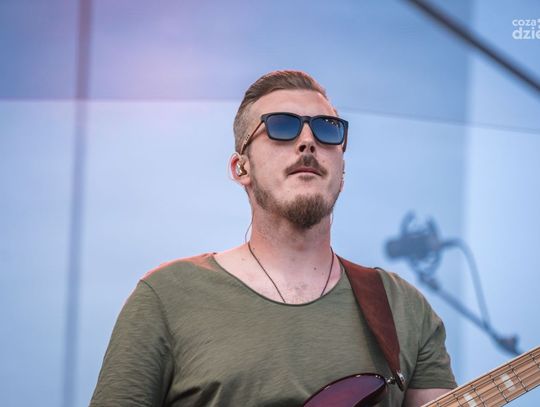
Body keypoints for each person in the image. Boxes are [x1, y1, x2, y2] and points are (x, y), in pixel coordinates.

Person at [90, 70, 456, 406]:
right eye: (282, 126)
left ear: (342, 171)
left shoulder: (402, 307)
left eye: (327, 129)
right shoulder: (166, 297)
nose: (308, 141)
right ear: (241, 167)